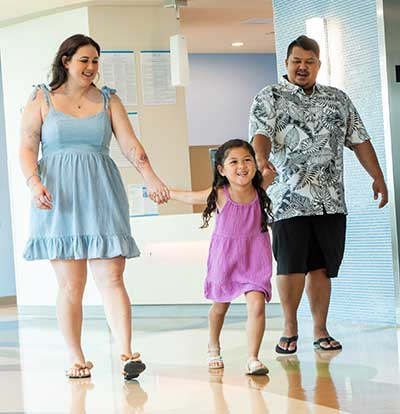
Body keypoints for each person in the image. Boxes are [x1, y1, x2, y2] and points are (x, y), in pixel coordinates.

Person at [19, 34, 169, 380]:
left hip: (101, 192)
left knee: (112, 277)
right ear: (66, 61)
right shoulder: (41, 98)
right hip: (59, 196)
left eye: (95, 61)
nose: (91, 67)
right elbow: (27, 147)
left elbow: (132, 146)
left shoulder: (108, 100)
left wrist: (151, 177)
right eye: (84, 60)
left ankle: (127, 353)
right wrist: (33, 182)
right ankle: (76, 356)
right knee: (72, 285)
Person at [249, 35, 388, 354]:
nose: (302, 67)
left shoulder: (337, 99)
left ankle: (320, 329)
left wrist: (377, 176)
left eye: (309, 62)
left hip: (330, 200)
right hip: (288, 199)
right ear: (286, 63)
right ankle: (289, 327)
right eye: (297, 61)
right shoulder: (270, 96)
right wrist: (260, 158)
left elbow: (359, 139)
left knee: (322, 267)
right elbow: (261, 134)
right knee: (291, 266)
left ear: (319, 65)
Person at [170, 139, 275, 375]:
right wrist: (165, 192)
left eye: (247, 160)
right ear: (222, 170)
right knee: (220, 307)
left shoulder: (260, 188)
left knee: (257, 305)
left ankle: (253, 358)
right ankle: (213, 346)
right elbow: (191, 197)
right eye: (234, 162)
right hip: (226, 258)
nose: (242, 166)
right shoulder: (220, 194)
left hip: (255, 257)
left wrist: (265, 160)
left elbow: (270, 170)